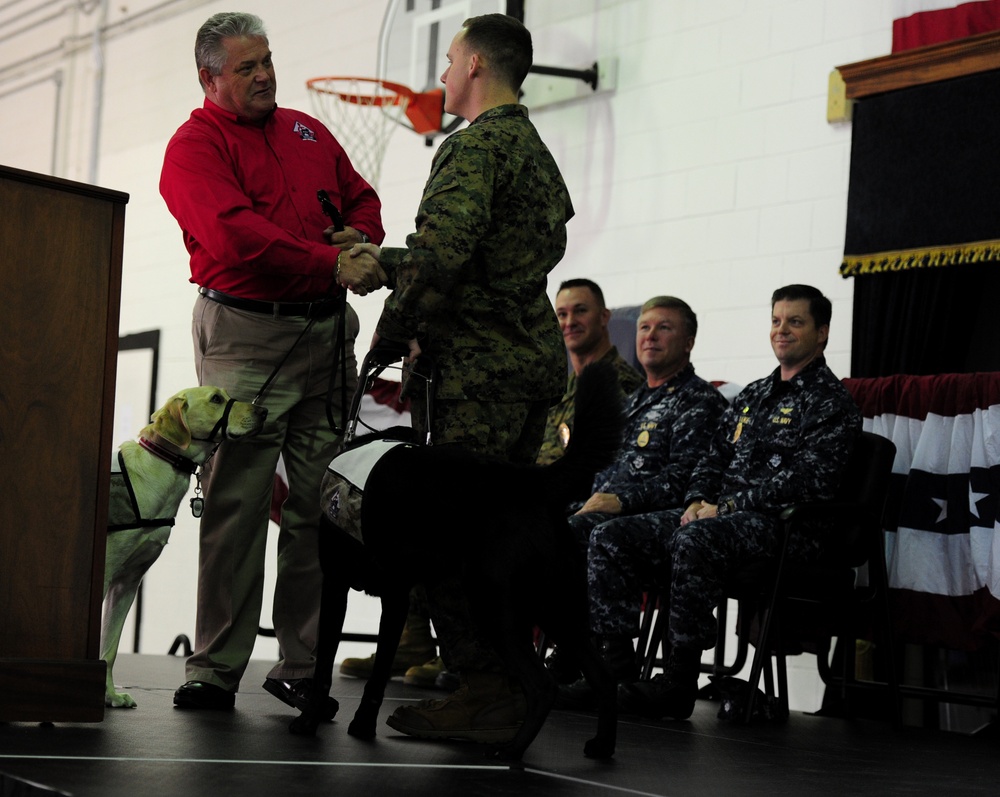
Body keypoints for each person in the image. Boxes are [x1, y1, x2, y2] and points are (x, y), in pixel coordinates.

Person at [347, 13, 572, 743]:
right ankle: (509, 678)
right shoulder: (537, 152)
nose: (442, 76)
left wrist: (387, 313)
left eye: (448, 61)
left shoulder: (475, 148)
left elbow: (441, 254)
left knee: (455, 534)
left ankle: (484, 688)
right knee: (503, 533)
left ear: (476, 64)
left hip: (482, 373)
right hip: (530, 361)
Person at [158, 11, 387, 711]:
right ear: (210, 78)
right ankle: (214, 666)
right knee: (237, 499)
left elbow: (362, 200)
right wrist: (331, 258)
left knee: (322, 506)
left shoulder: (307, 131)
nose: (265, 76)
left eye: (267, 61)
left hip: (324, 339)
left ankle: (302, 663)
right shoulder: (193, 147)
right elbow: (234, 238)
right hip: (246, 335)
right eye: (246, 68)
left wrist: (364, 239)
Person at [585, 285, 861, 720]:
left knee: (696, 539)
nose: (781, 330)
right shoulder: (752, 396)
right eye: (776, 320)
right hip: (721, 519)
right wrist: (697, 499)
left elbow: (808, 483)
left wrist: (723, 509)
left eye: (795, 321)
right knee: (611, 535)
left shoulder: (831, 402)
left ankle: (679, 682)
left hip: (789, 530)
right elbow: (711, 460)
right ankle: (614, 669)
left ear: (822, 332)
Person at [550, 296, 728, 696]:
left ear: (688, 342)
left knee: (586, 533)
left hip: (658, 519)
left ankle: (609, 664)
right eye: (644, 328)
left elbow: (686, 479)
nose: (650, 336)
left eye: (664, 328)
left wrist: (621, 502)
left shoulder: (699, 403)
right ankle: (571, 653)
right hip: (608, 512)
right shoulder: (631, 404)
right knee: (543, 526)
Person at [536, 279, 644, 466]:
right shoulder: (560, 389)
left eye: (580, 311)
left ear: (604, 317)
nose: (570, 322)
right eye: (562, 314)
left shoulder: (623, 384)